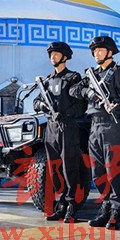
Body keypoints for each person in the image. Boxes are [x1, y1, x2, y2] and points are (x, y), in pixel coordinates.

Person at [70, 36, 120, 229]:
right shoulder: (91, 75)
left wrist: (119, 104)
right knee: (97, 173)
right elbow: (74, 90)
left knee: (113, 171)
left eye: (100, 50)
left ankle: (117, 212)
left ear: (110, 52)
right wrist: (88, 92)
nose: (96, 54)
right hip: (94, 126)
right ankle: (106, 207)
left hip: (112, 125)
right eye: (94, 51)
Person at [33, 41, 86, 223]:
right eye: (51, 54)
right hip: (51, 127)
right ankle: (61, 204)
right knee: (54, 167)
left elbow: (81, 106)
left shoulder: (73, 78)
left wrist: (65, 114)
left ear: (65, 57)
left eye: (56, 54)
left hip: (67, 126)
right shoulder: (47, 81)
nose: (52, 57)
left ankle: (71, 206)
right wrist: (42, 106)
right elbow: (36, 102)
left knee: (69, 166)